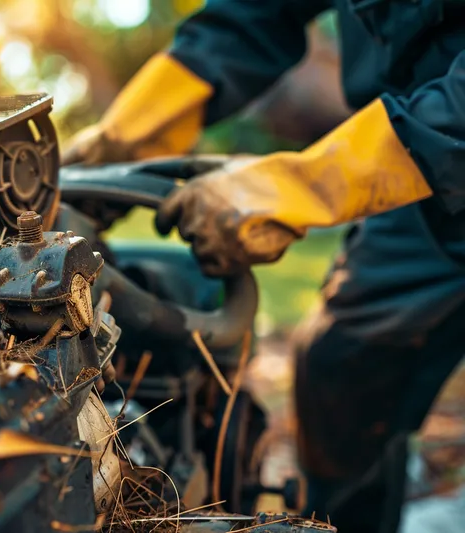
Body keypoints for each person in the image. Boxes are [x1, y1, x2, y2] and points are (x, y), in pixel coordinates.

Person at [62, 1, 465, 531]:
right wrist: (123, 138)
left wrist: (302, 185)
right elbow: (254, 13)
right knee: (339, 367)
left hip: (434, 137)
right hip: (423, 178)